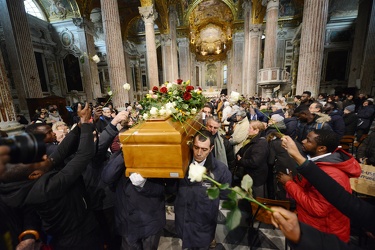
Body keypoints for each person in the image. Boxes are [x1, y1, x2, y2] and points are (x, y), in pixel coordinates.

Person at [0, 103, 103, 250]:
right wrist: (86, 124)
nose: (45, 156)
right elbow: (83, 156)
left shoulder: (32, 175)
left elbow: (60, 152)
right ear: (35, 174)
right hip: (76, 239)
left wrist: (79, 125)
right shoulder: (45, 188)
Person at [277, 130, 361, 243]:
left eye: (308, 140)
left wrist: (289, 183)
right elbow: (309, 187)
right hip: (313, 226)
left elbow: (317, 209)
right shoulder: (320, 162)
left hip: (324, 234)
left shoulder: (332, 174)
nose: (303, 141)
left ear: (321, 148)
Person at [174, 130, 232, 249]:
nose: (199, 153)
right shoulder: (182, 164)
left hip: (204, 222)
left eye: (204, 149)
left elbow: (226, 194)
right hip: (183, 219)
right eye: (196, 147)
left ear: (211, 148)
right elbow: (172, 189)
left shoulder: (220, 170)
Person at [235, 120, 268, 197]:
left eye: (250, 128)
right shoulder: (251, 140)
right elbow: (241, 152)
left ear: (256, 130)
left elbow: (255, 162)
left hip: (255, 179)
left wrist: (241, 161)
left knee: (255, 200)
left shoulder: (260, 144)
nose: (248, 130)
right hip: (249, 177)